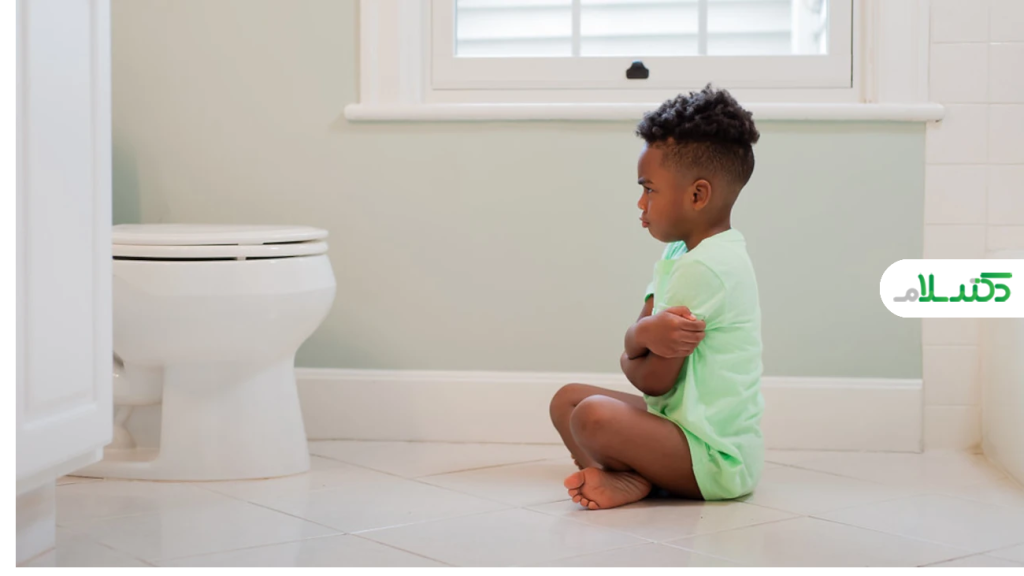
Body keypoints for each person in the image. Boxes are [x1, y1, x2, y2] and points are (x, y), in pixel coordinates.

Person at [549, 85, 766, 510]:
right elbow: (639, 339)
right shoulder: (680, 252)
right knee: (568, 400)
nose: (640, 202)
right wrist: (639, 337)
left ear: (697, 195)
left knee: (592, 414)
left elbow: (652, 379)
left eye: (649, 189)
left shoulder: (706, 268)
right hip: (675, 424)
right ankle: (631, 476)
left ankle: (634, 477)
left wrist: (635, 342)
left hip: (715, 458)